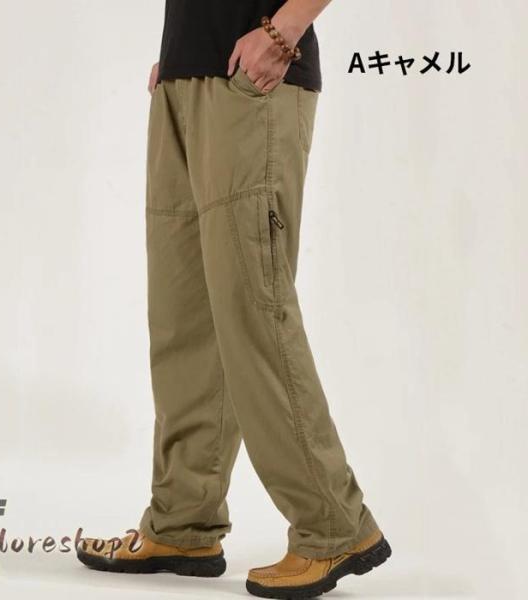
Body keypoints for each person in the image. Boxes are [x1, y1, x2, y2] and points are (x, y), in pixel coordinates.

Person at [77, 1, 391, 597]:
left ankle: (335, 525)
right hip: (185, 79)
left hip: (256, 79)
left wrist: (284, 28)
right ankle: (183, 523)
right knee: (182, 319)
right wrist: (180, 60)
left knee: (256, 313)